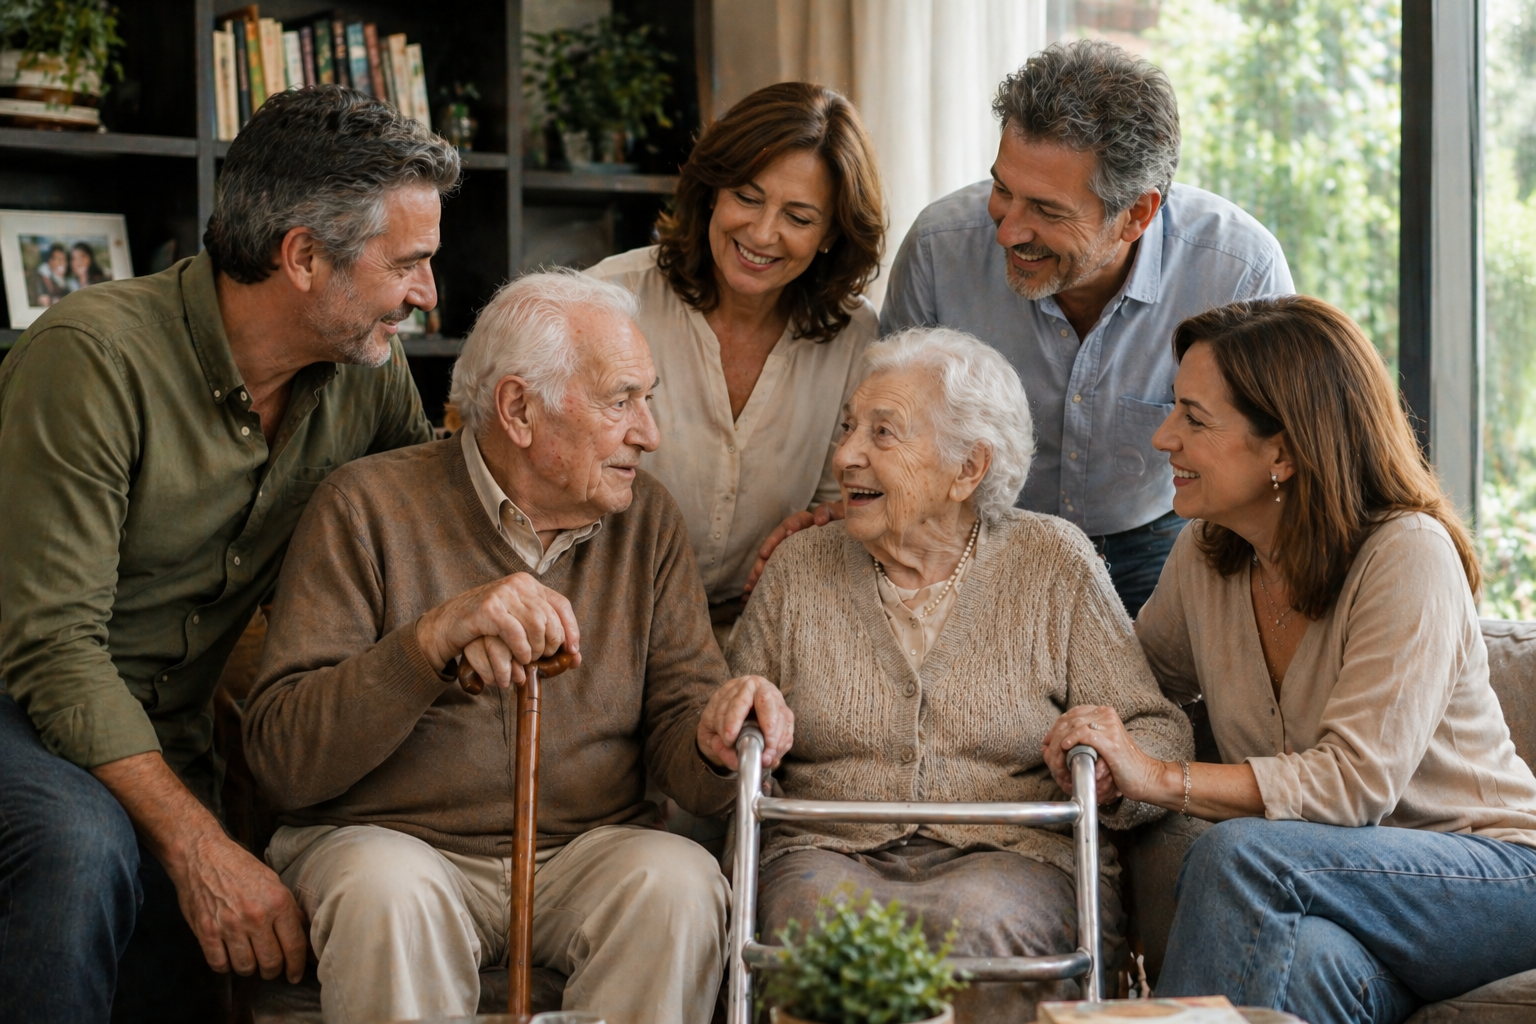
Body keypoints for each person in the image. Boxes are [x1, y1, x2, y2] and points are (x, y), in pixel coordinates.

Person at [0, 85, 454, 1023]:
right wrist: (198, 846)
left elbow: (433, 534)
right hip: (19, 704)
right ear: (303, 257)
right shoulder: (90, 357)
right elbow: (52, 649)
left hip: (173, 735)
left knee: (196, 976)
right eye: (408, 264)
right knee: (82, 846)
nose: (428, 296)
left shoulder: (367, 373)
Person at [242, 271, 795, 1024]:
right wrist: (428, 644)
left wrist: (711, 742)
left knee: (679, 881)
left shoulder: (647, 522)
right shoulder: (365, 506)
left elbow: (681, 729)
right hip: (396, 844)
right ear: (519, 410)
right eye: (620, 401)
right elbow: (283, 758)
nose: (648, 432)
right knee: (386, 889)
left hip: (582, 852)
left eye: (648, 398)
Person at [1042, 296, 1536, 1024]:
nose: (1162, 436)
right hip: (1334, 890)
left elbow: (1354, 785)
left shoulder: (1408, 554)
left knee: (1239, 855)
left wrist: (1159, 777)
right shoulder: (1207, 558)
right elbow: (1133, 687)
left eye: (1194, 419)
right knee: (1307, 966)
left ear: (1284, 452)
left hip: (1493, 879)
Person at [731, 327, 1192, 1023]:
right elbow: (728, 738)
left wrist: (1111, 763)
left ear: (968, 468)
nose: (846, 455)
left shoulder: (1052, 562)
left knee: (977, 926)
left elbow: (1155, 728)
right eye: (849, 428)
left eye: (883, 433)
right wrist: (736, 725)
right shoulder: (799, 568)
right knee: (822, 929)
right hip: (827, 851)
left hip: (1016, 857)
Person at [868, 39, 1296, 616]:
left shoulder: (1240, 270)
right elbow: (889, 434)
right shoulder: (938, 248)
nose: (1007, 232)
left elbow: (1273, 460)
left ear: (1136, 214)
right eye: (1002, 189)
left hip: (1166, 543)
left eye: (1047, 210)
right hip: (980, 539)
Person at [586, 81, 883, 644]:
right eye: (747, 197)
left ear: (830, 235)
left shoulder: (855, 335)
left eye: (799, 217)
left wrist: (822, 525)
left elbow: (835, 505)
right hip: (603, 625)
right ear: (712, 192)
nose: (763, 233)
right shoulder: (609, 300)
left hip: (759, 633)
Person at [27, 242, 69, 306]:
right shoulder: (39, 278)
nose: (61, 263)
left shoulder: (63, 282)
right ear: (50, 261)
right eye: (58, 259)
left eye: (64, 259)